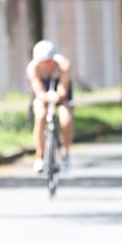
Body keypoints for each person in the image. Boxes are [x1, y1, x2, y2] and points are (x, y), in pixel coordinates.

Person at [27, 40, 74, 173]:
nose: (46, 65)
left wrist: (58, 96)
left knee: (66, 120)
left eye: (48, 61)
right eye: (42, 62)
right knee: (40, 115)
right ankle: (39, 156)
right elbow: (38, 89)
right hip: (43, 91)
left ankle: (66, 152)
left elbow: (63, 88)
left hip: (59, 88)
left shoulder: (64, 65)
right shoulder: (32, 68)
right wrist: (46, 97)